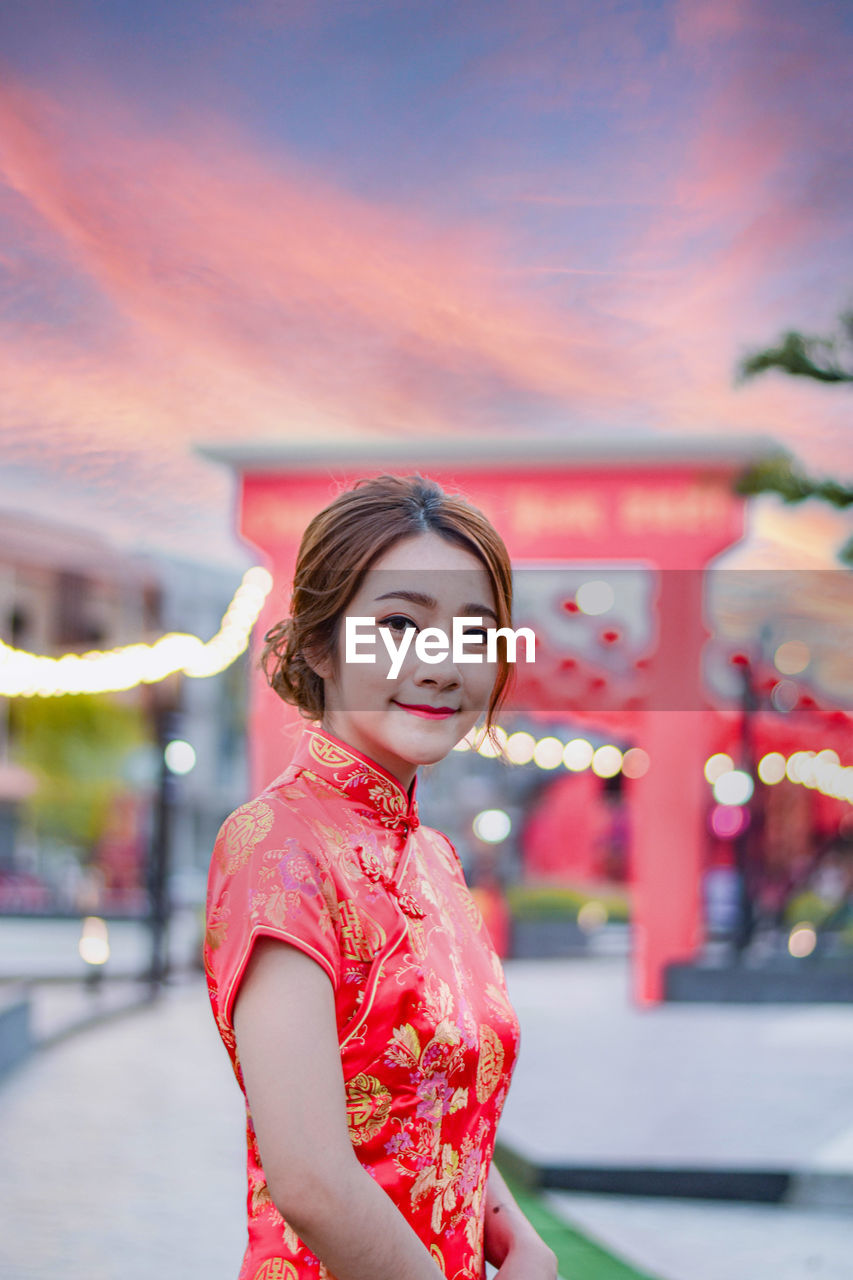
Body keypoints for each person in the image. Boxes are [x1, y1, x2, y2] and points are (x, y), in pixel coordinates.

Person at [204, 474, 558, 1280]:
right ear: (320, 644)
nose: (441, 666)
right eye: (399, 624)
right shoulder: (277, 844)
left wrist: (516, 1239)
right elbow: (312, 1181)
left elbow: (435, 1095)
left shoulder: (433, 857)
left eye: (474, 634)